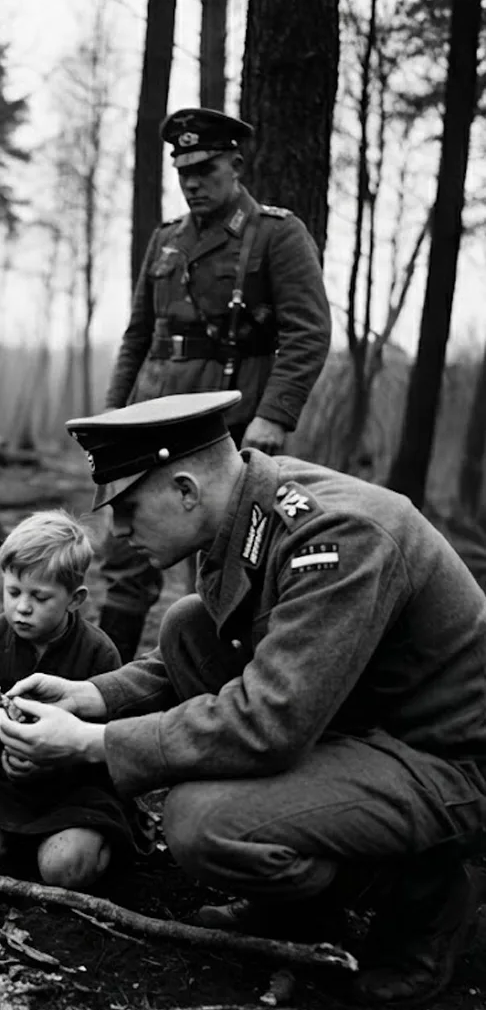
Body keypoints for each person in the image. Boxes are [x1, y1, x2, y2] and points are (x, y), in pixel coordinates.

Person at [0, 390, 486, 1007]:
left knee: (201, 821)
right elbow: (234, 650)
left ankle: (429, 892)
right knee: (186, 624)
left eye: (128, 510)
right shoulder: (247, 517)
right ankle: (295, 904)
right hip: (357, 723)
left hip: (443, 764)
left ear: (184, 489)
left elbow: (268, 720)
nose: (117, 532)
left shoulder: (339, 538)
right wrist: (93, 696)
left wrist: (93, 744)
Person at [98, 108, 331, 661]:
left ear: (236, 165)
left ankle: (215, 691)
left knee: (226, 568)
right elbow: (139, 335)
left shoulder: (276, 235)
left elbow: (309, 332)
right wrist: (112, 419)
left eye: (205, 170)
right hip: (150, 425)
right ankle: (100, 685)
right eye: (183, 172)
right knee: (126, 558)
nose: (193, 183)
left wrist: (274, 415)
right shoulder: (166, 240)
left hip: (224, 436)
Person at [0, 511, 146, 892]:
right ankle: (10, 846)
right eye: (13, 592)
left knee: (66, 867)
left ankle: (71, 849)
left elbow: (113, 740)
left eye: (40, 597)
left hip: (72, 792)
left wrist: (57, 760)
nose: (22, 607)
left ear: (75, 599)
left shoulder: (98, 651)